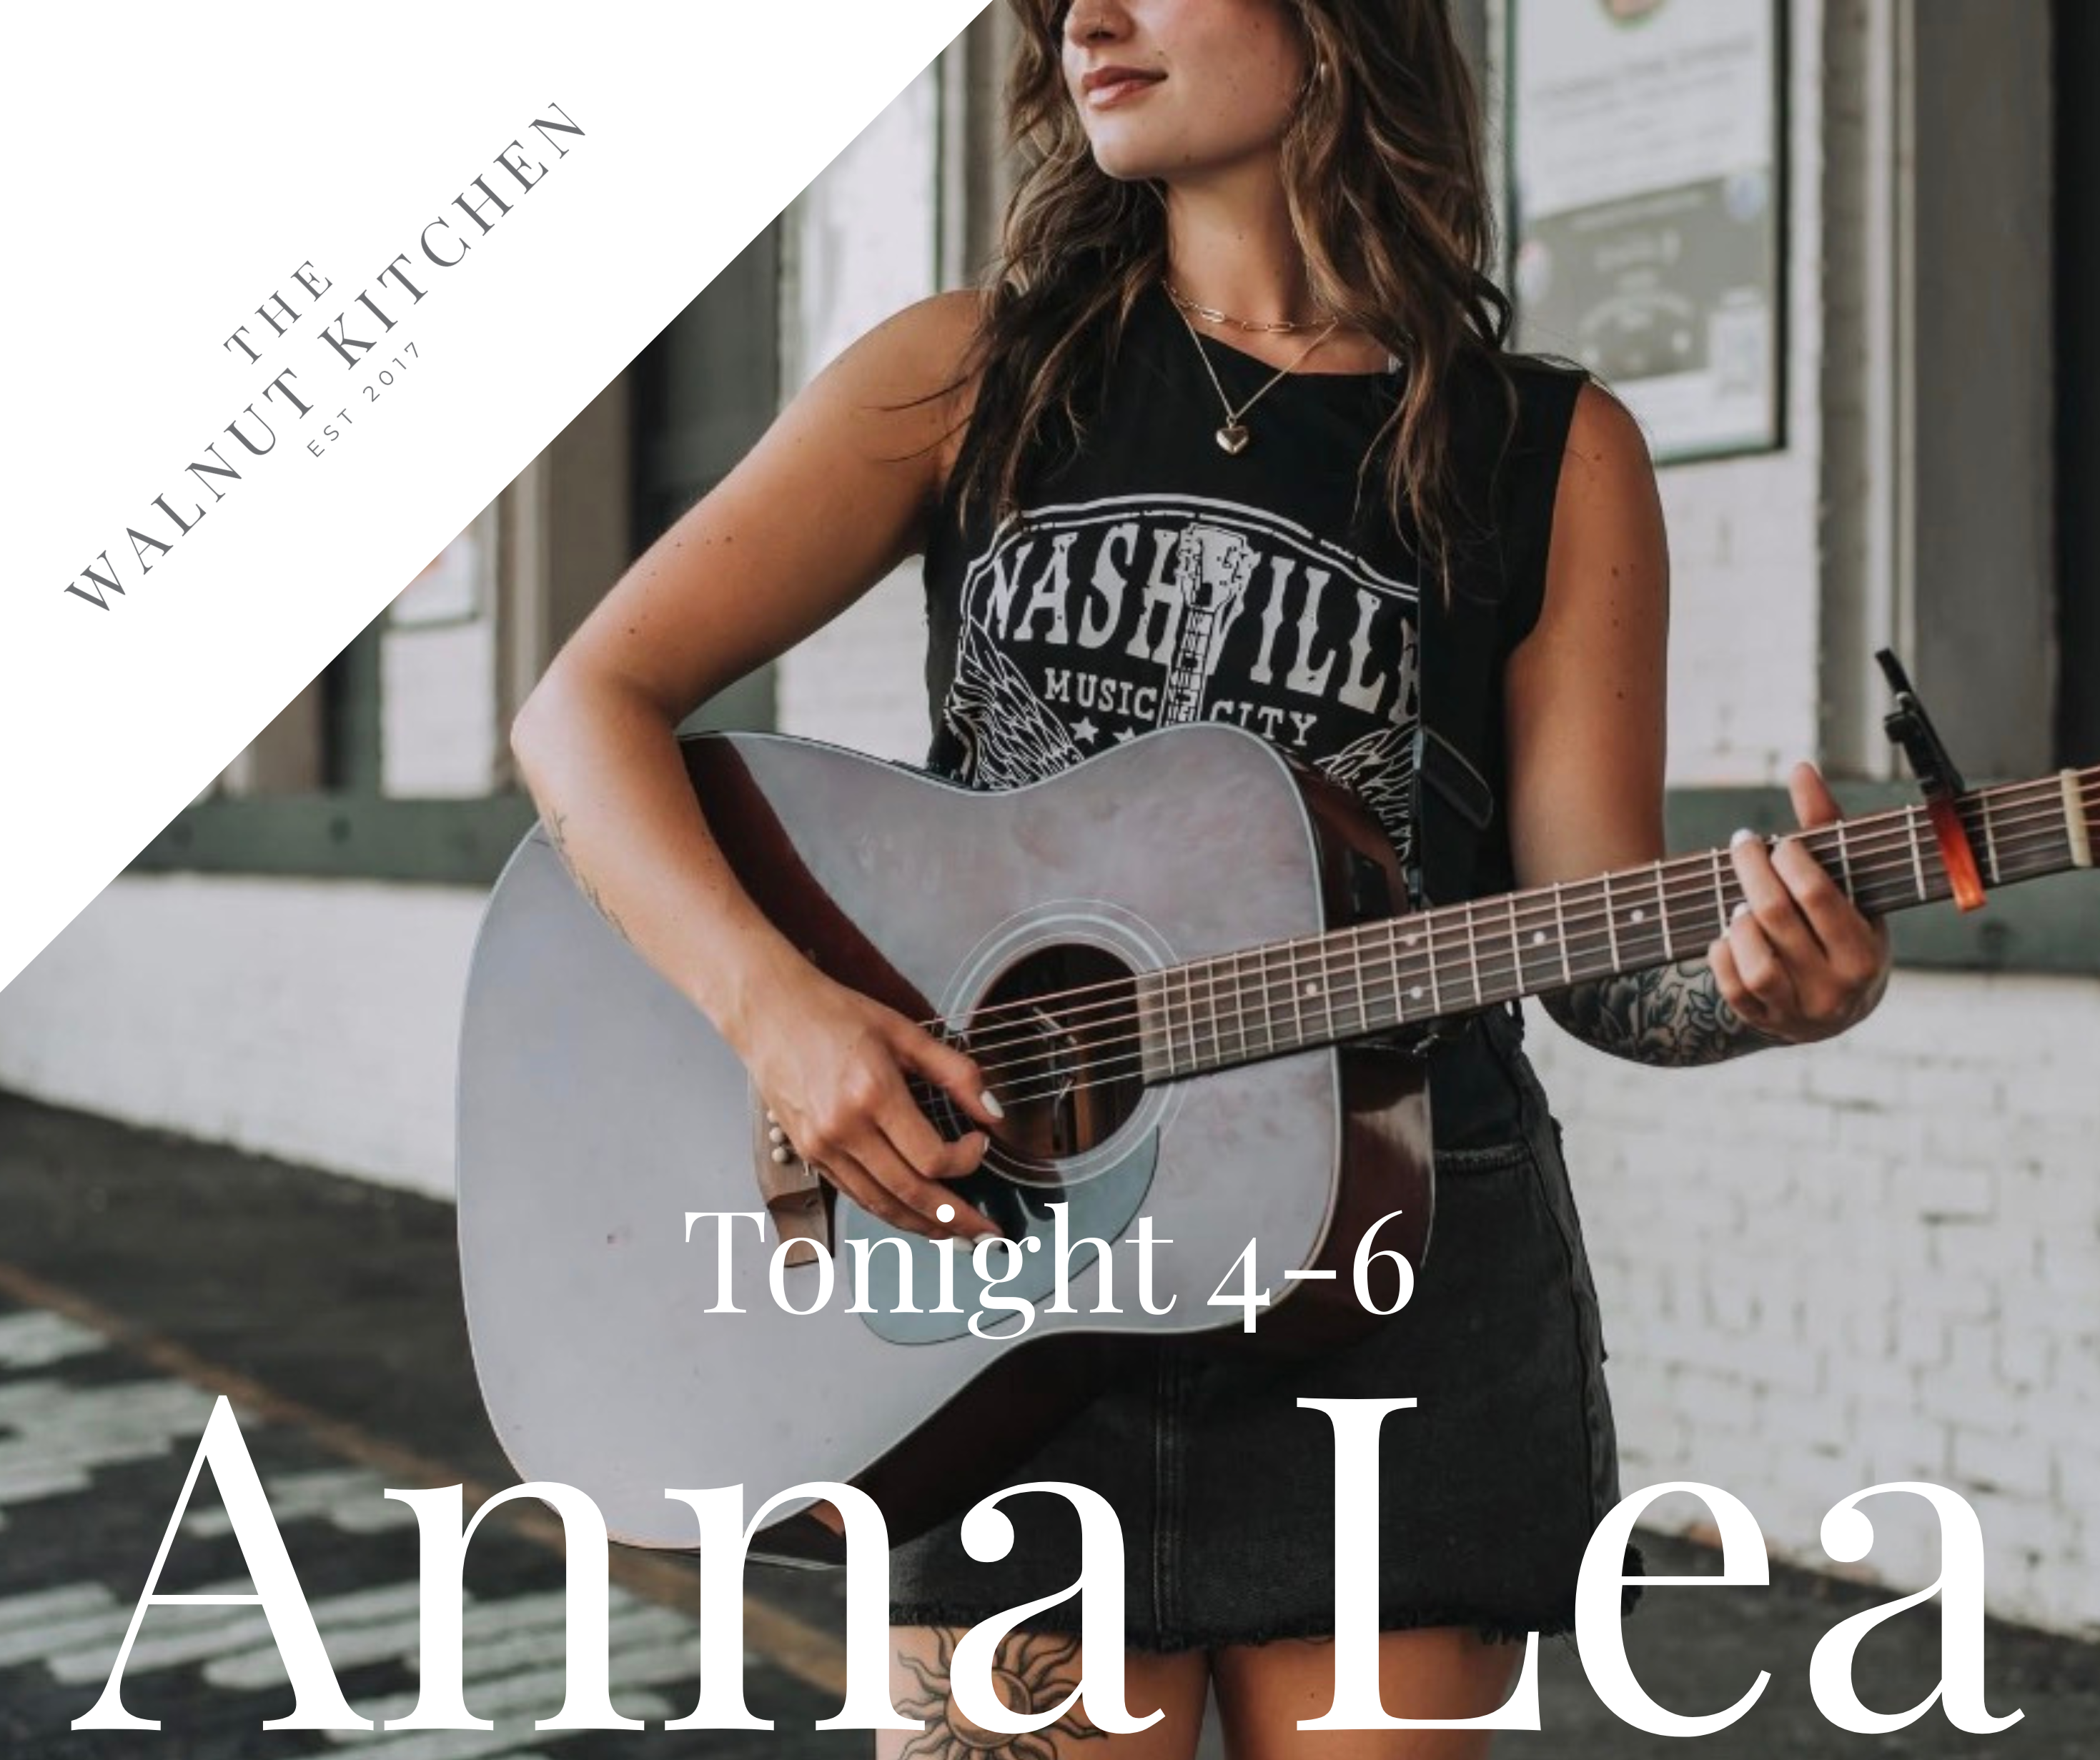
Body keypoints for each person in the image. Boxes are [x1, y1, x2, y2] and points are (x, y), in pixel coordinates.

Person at [508, 1, 1893, 1753]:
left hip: (1387, 1288)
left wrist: (1762, 990)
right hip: (997, 1301)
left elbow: (1602, 955)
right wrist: (778, 1016)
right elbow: (583, 713)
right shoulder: (966, 375)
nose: (1086, 15)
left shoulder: (1550, 452)